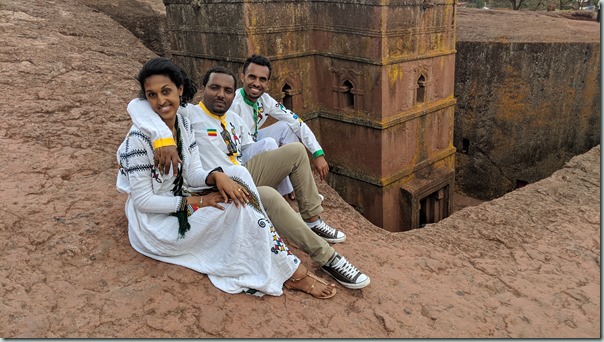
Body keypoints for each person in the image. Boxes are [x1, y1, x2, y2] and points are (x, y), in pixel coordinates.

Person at [127, 65, 371, 289]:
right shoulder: (187, 115)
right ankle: (293, 263)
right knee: (258, 191)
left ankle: (328, 257)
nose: (221, 94)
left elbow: (204, 166)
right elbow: (138, 107)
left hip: (216, 182)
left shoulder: (199, 123)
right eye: (214, 88)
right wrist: (161, 137)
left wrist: (217, 175)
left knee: (267, 188)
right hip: (186, 202)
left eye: (227, 90)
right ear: (203, 89)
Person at [230, 54, 330, 185]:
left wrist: (317, 153)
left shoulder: (265, 101)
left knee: (285, 127)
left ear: (268, 83)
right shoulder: (233, 103)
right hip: (239, 156)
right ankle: (286, 191)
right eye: (252, 77)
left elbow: (295, 121)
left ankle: (299, 183)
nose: (256, 83)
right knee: (269, 143)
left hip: (253, 140)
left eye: (262, 79)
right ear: (242, 77)